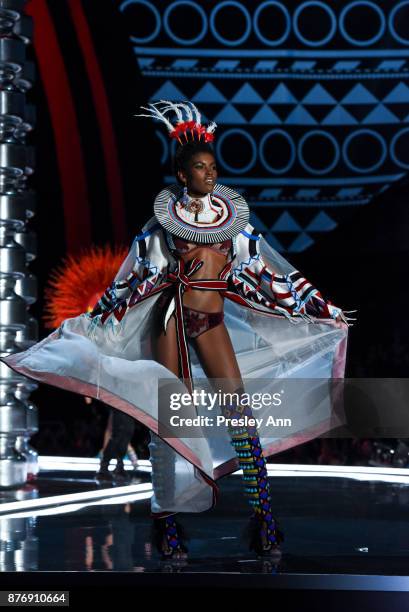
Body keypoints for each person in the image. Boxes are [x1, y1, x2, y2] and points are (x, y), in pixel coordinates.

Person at [1, 101, 354, 560]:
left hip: (211, 324)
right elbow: (130, 283)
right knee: (169, 424)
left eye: (213, 166)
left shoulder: (235, 227)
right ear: (182, 176)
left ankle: (265, 519)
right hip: (168, 324)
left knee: (240, 416)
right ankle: (166, 525)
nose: (209, 174)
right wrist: (95, 320)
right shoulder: (161, 229)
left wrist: (319, 307)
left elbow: (267, 275)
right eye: (200, 168)